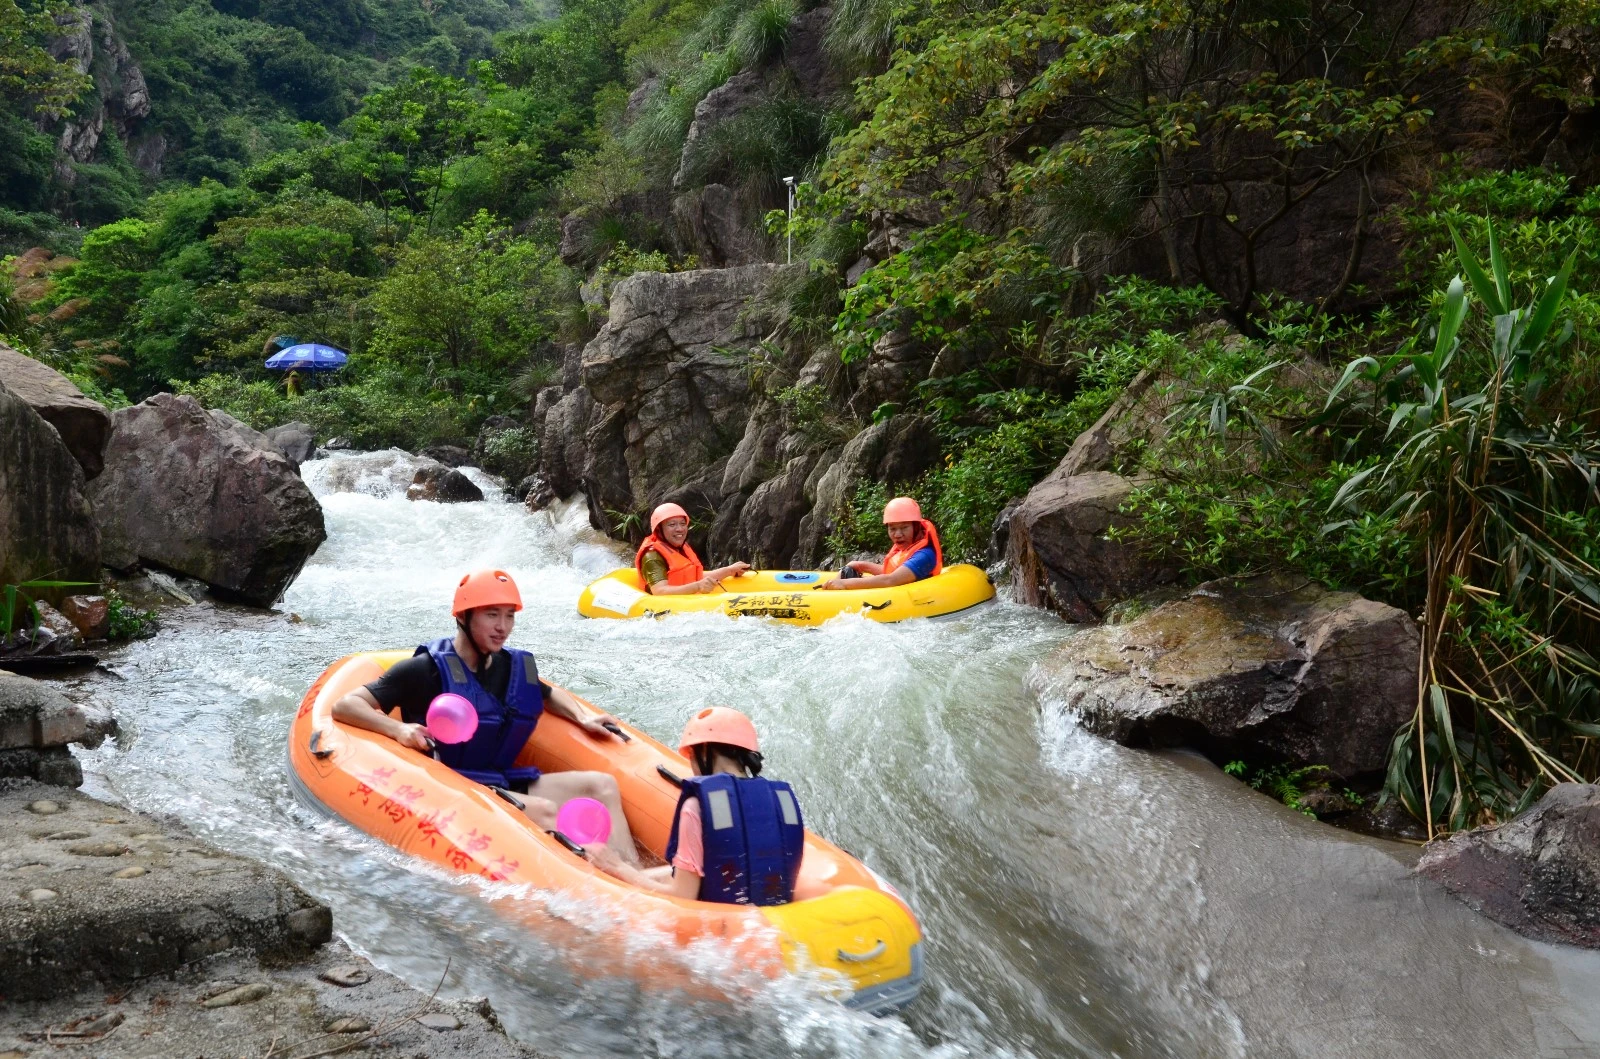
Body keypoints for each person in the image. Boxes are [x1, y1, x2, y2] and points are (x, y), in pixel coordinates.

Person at [331, 568, 641, 866]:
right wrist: (397, 729)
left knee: (602, 785)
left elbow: (547, 695)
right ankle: (582, 889)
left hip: (499, 780)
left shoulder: (510, 666)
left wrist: (582, 717)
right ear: (464, 617)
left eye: (509, 616)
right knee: (544, 811)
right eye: (492, 615)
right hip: (450, 786)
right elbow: (346, 705)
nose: (502, 627)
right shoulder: (424, 670)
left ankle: (633, 876)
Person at [585, 707, 803, 905]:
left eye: (691, 754)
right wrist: (638, 874)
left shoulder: (697, 806)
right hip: (769, 922)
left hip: (714, 933)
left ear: (704, 750)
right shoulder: (780, 799)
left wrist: (617, 867)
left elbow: (681, 896)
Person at [820, 496, 943, 590]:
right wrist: (862, 566)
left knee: (844, 580)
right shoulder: (906, 548)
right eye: (893, 529)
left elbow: (891, 580)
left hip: (917, 603)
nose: (898, 534)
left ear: (916, 527)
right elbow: (891, 571)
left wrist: (843, 584)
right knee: (848, 571)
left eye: (904, 527)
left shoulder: (924, 555)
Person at [635, 502, 751, 595]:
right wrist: (698, 586)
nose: (679, 529)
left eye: (682, 523)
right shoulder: (652, 555)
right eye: (672, 525)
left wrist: (729, 570)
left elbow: (695, 576)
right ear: (659, 530)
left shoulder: (681, 549)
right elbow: (660, 591)